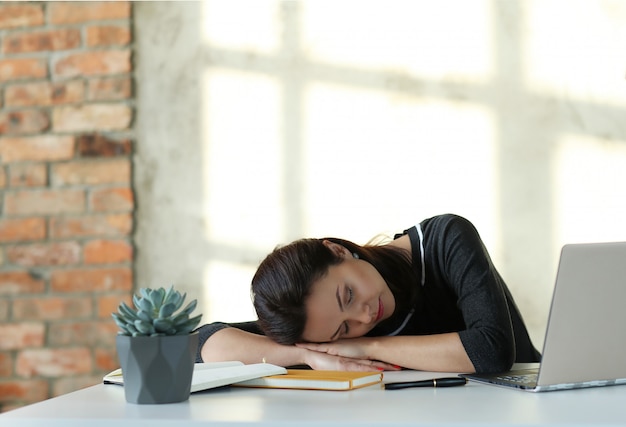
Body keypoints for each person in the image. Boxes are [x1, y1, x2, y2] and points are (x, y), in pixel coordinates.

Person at [195, 214, 541, 374]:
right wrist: (312, 357)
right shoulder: (317, 324)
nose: (364, 316)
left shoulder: (445, 240)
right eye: (343, 329)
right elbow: (201, 344)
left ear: (338, 251)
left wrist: (363, 345)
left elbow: (491, 351)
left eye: (347, 295)